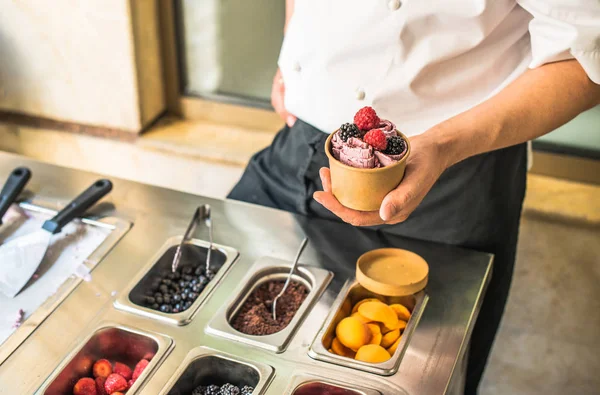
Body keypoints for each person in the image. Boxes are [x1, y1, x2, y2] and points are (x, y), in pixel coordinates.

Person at [228, 1, 600, 393]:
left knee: (404, 375)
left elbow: (587, 60)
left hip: (449, 171)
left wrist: (442, 146)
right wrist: (292, 47)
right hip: (299, 143)